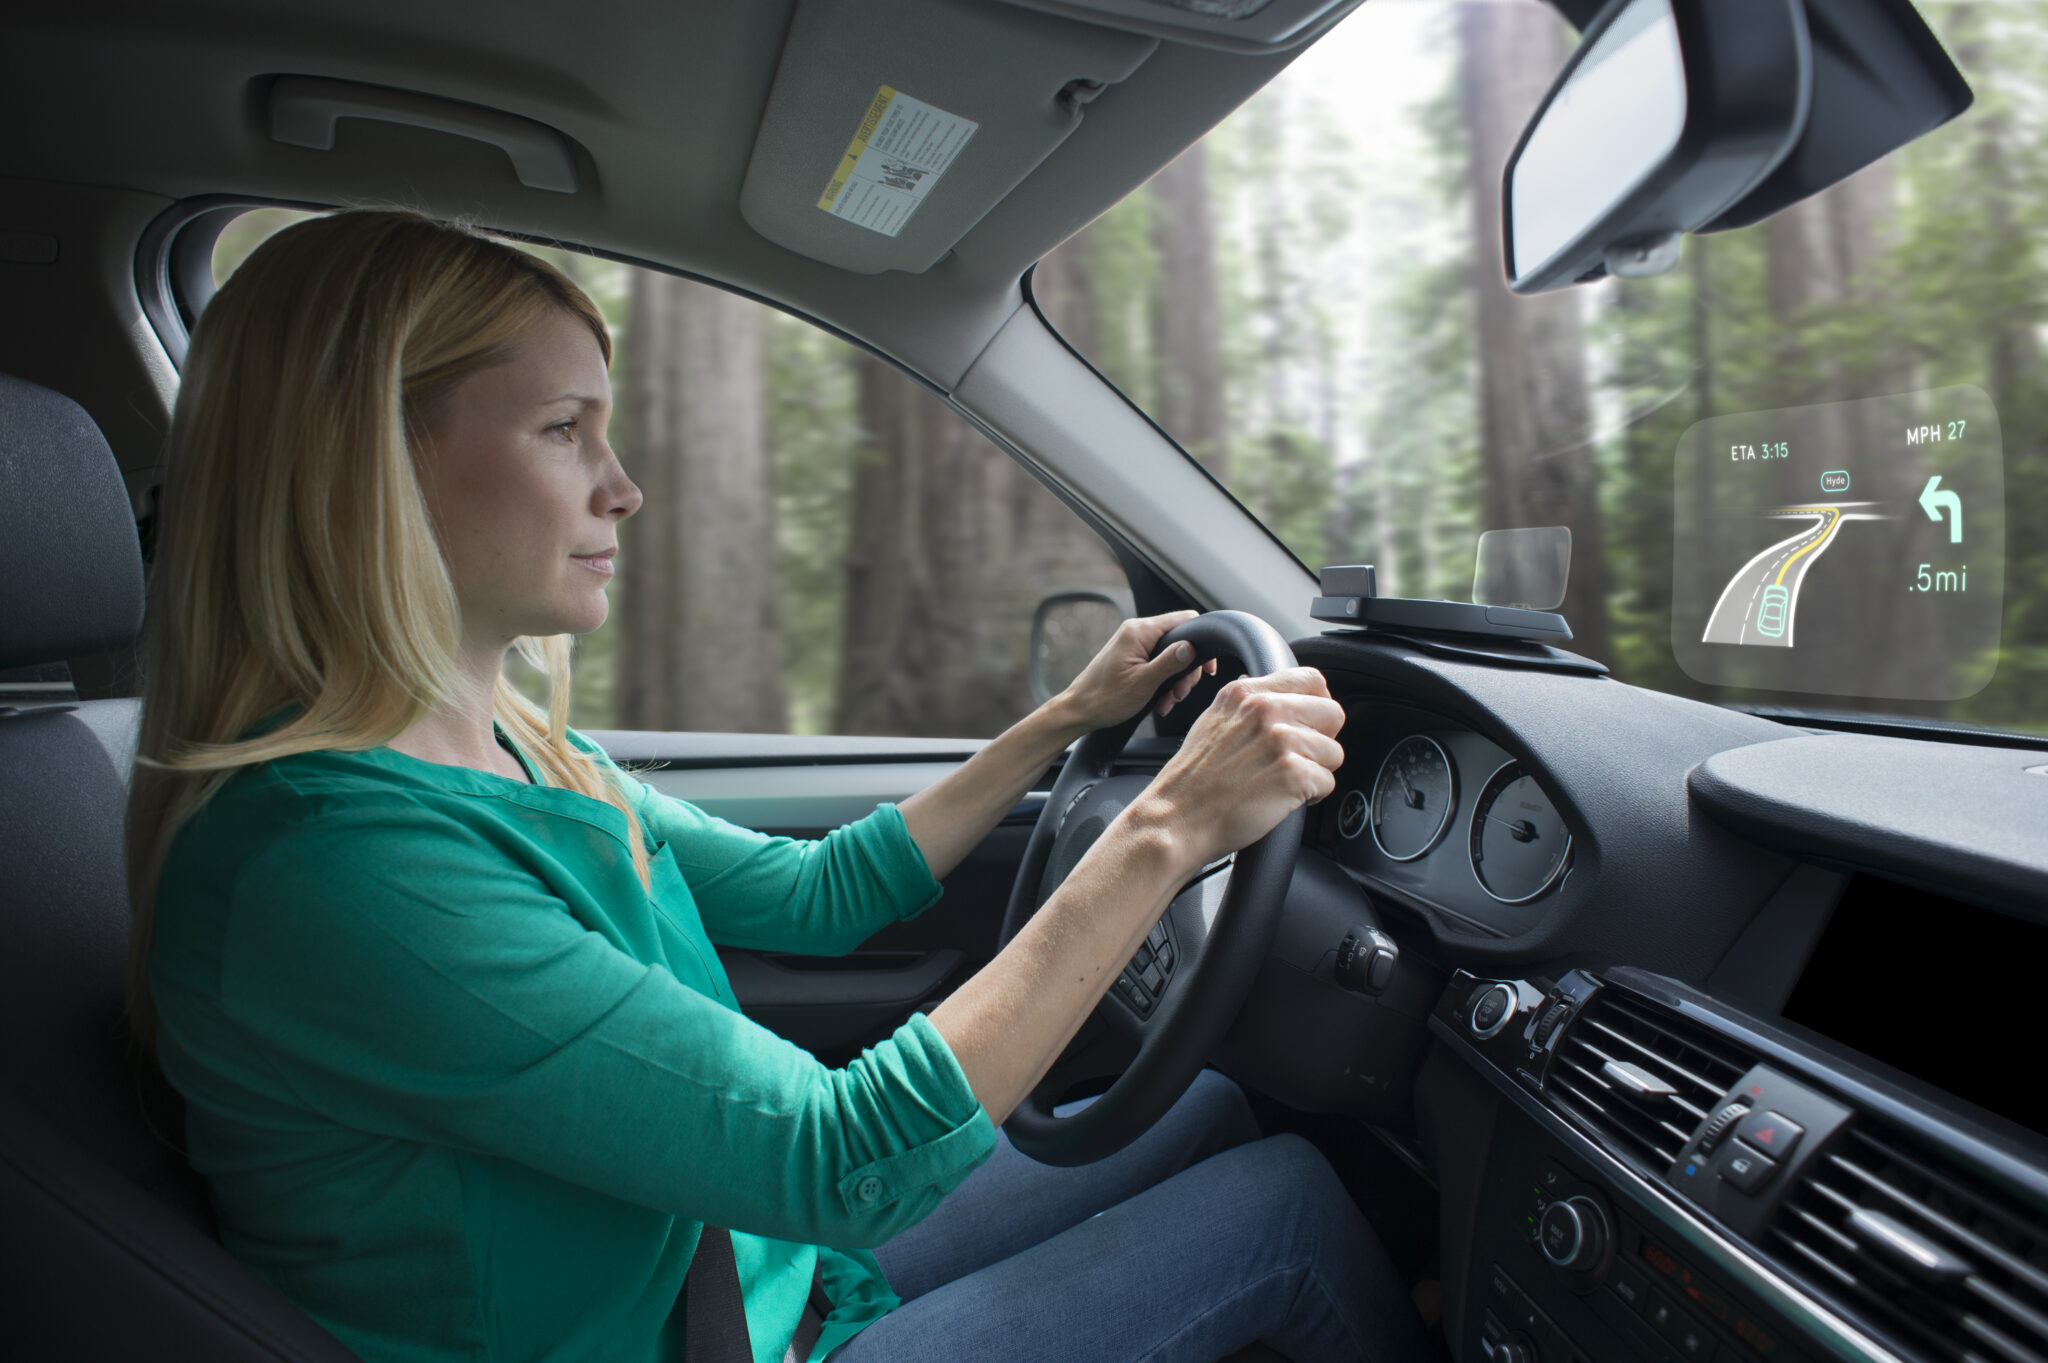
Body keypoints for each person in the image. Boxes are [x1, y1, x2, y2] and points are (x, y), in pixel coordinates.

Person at [128, 209, 1428, 1363]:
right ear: (374, 465)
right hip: (704, 1325)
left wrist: (1067, 722)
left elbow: (820, 893)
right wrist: (1168, 826)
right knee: (1285, 1212)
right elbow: (839, 1158)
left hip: (751, 1284)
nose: (622, 487)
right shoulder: (335, 863)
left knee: (1204, 1113)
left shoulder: (511, 749)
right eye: (562, 429)